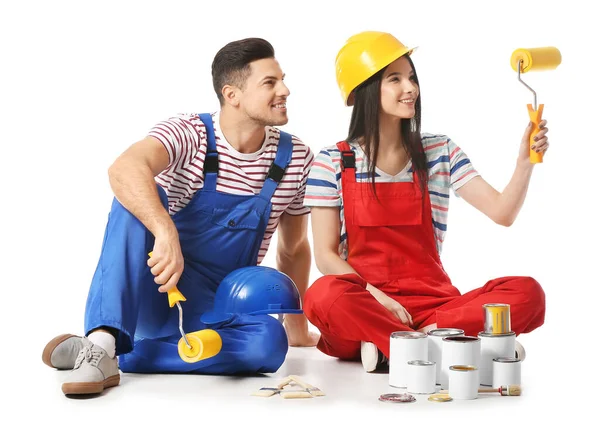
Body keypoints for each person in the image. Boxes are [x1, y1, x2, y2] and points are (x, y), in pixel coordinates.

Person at [42, 37, 319, 396]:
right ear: (231, 94)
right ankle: (105, 334)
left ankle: (105, 352)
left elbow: (294, 249)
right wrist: (164, 230)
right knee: (137, 195)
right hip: (157, 291)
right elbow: (124, 168)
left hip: (217, 308)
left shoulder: (295, 157)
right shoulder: (189, 133)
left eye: (282, 79)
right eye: (270, 82)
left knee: (267, 344)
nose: (285, 89)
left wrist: (296, 327)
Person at [302, 31, 547, 372]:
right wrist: (378, 298)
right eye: (395, 79)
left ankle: (403, 346)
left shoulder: (439, 151)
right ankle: (456, 343)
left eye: (412, 77)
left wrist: (524, 163)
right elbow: (326, 257)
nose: (411, 88)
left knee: (528, 293)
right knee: (322, 295)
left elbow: (502, 212)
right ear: (364, 92)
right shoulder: (332, 161)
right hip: (367, 305)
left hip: (437, 307)